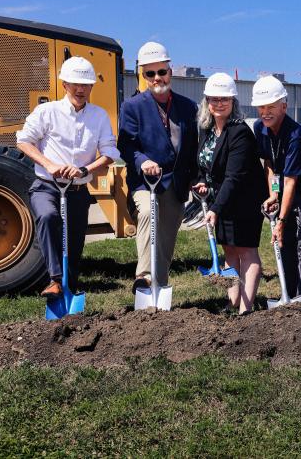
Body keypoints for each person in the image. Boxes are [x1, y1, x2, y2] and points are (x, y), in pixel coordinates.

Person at [15, 56, 119, 296]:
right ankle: (54, 279)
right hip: (46, 185)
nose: (80, 89)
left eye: (85, 85)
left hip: (77, 189)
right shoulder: (46, 111)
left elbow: (110, 151)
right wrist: (50, 164)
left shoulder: (99, 116)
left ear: (92, 87)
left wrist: (86, 170)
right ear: (65, 85)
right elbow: (23, 141)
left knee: (74, 241)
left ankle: (68, 287)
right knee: (48, 217)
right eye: (75, 84)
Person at [117, 42, 199, 294]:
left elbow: (193, 146)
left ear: (170, 72)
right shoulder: (133, 107)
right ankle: (143, 278)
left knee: (166, 238)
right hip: (146, 181)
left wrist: (196, 178)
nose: (156, 78)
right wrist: (143, 162)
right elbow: (126, 146)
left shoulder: (188, 107)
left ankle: (159, 286)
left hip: (176, 183)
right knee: (148, 215)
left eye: (161, 72)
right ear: (143, 76)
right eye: (149, 74)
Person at [192, 73, 267, 314]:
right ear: (207, 102)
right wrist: (202, 181)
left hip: (244, 202)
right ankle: (232, 303)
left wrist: (214, 208)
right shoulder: (207, 129)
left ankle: (246, 309)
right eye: (214, 99)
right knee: (229, 251)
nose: (219, 103)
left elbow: (234, 177)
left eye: (225, 99)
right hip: (221, 201)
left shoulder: (240, 133)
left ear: (233, 101)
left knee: (247, 252)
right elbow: (205, 164)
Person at [252, 75, 301, 306]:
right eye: (261, 107)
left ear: (284, 106)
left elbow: (291, 181)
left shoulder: (296, 136)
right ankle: (288, 297)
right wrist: (273, 195)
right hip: (286, 190)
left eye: (271, 107)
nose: (265, 112)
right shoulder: (261, 128)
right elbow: (270, 166)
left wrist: (280, 220)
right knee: (285, 244)